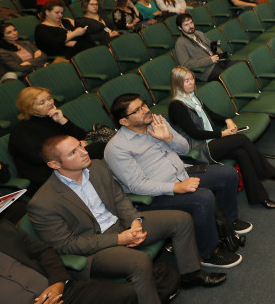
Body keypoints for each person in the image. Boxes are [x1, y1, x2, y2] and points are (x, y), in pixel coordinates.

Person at [29, 136, 226, 304]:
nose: (83, 152)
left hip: (121, 225)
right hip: (95, 248)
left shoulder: (96, 166)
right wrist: (119, 239)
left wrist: (134, 221)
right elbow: (67, 245)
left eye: (80, 146)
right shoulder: (43, 202)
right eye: (73, 152)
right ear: (54, 164)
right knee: (139, 263)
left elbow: (120, 198)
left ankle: (190, 274)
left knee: (180, 219)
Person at [105, 93, 250, 267]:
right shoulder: (116, 148)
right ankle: (209, 253)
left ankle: (228, 222)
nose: (145, 110)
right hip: (156, 196)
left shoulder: (157, 122)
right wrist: (176, 187)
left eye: (143, 104)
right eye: (137, 110)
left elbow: (184, 148)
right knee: (203, 198)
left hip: (183, 174)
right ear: (124, 121)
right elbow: (137, 185)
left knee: (228, 174)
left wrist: (168, 138)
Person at [0, 207, 138, 304]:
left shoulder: (1, 230)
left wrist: (57, 283)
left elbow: (44, 252)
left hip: (61, 295)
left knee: (125, 295)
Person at [168, 67, 275, 209]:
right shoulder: (177, 105)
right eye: (186, 81)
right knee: (241, 139)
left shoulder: (193, 97)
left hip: (211, 141)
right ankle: (268, 172)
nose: (191, 82)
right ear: (177, 84)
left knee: (241, 153)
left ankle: (259, 197)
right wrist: (222, 134)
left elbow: (211, 115)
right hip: (199, 148)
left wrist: (227, 120)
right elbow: (194, 133)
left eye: (192, 78)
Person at [10, 86, 106, 193]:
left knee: (101, 148)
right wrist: (75, 147)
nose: (49, 103)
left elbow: (81, 135)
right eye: (42, 103)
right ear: (29, 109)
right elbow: (39, 157)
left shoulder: (53, 115)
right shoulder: (21, 131)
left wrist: (62, 120)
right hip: (46, 171)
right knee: (100, 149)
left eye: (49, 98)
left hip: (66, 159)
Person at [174, 14, 230, 82]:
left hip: (217, 62)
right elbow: (185, 64)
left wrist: (220, 53)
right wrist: (210, 60)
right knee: (230, 74)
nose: (190, 26)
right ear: (180, 28)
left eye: (191, 23)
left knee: (241, 66)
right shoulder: (180, 43)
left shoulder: (199, 33)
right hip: (206, 70)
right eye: (186, 25)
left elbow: (211, 45)